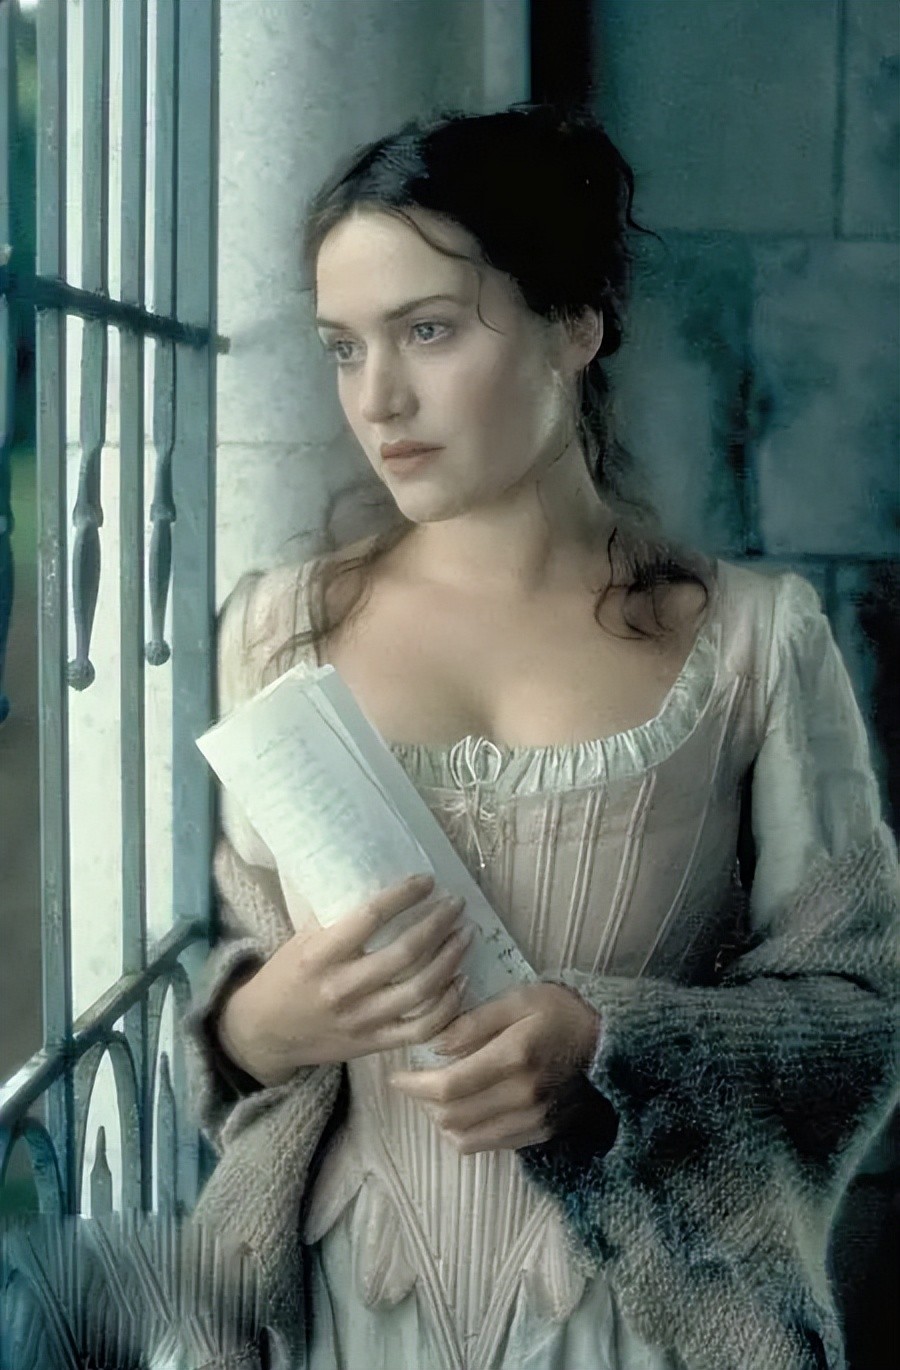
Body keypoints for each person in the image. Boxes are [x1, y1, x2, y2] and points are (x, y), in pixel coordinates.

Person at [183, 105, 899, 1370]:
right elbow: (246, 983)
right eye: (344, 346)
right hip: (334, 1316)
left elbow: (862, 1013)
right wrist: (256, 1028)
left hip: (646, 1327)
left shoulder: (755, 640)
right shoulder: (274, 632)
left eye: (430, 330)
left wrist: (612, 1046)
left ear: (575, 324)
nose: (378, 398)